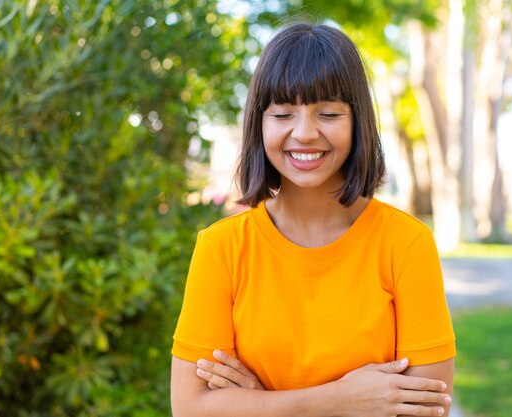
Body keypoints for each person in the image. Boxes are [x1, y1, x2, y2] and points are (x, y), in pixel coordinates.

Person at [170, 21, 456, 417]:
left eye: (328, 113)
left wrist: (258, 402)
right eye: (283, 113)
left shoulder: (406, 243)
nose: (304, 133)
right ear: (260, 123)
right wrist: (340, 401)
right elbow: (190, 409)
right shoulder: (221, 248)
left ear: (358, 122)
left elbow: (425, 409)